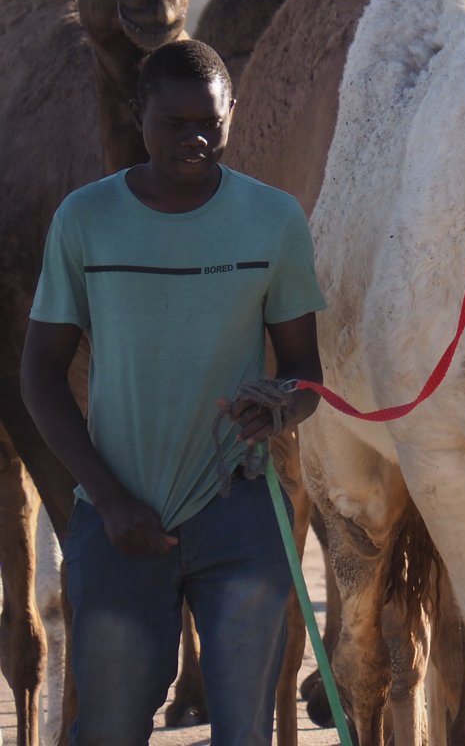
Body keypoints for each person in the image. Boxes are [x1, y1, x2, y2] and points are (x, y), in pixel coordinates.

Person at [20, 38, 326, 746]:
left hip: (241, 516)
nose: (194, 138)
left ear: (232, 116)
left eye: (209, 123)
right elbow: (39, 373)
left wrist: (281, 402)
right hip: (119, 519)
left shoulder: (274, 221)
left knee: (243, 732)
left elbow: (305, 373)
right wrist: (112, 499)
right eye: (172, 123)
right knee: (108, 728)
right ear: (137, 117)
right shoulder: (86, 220)